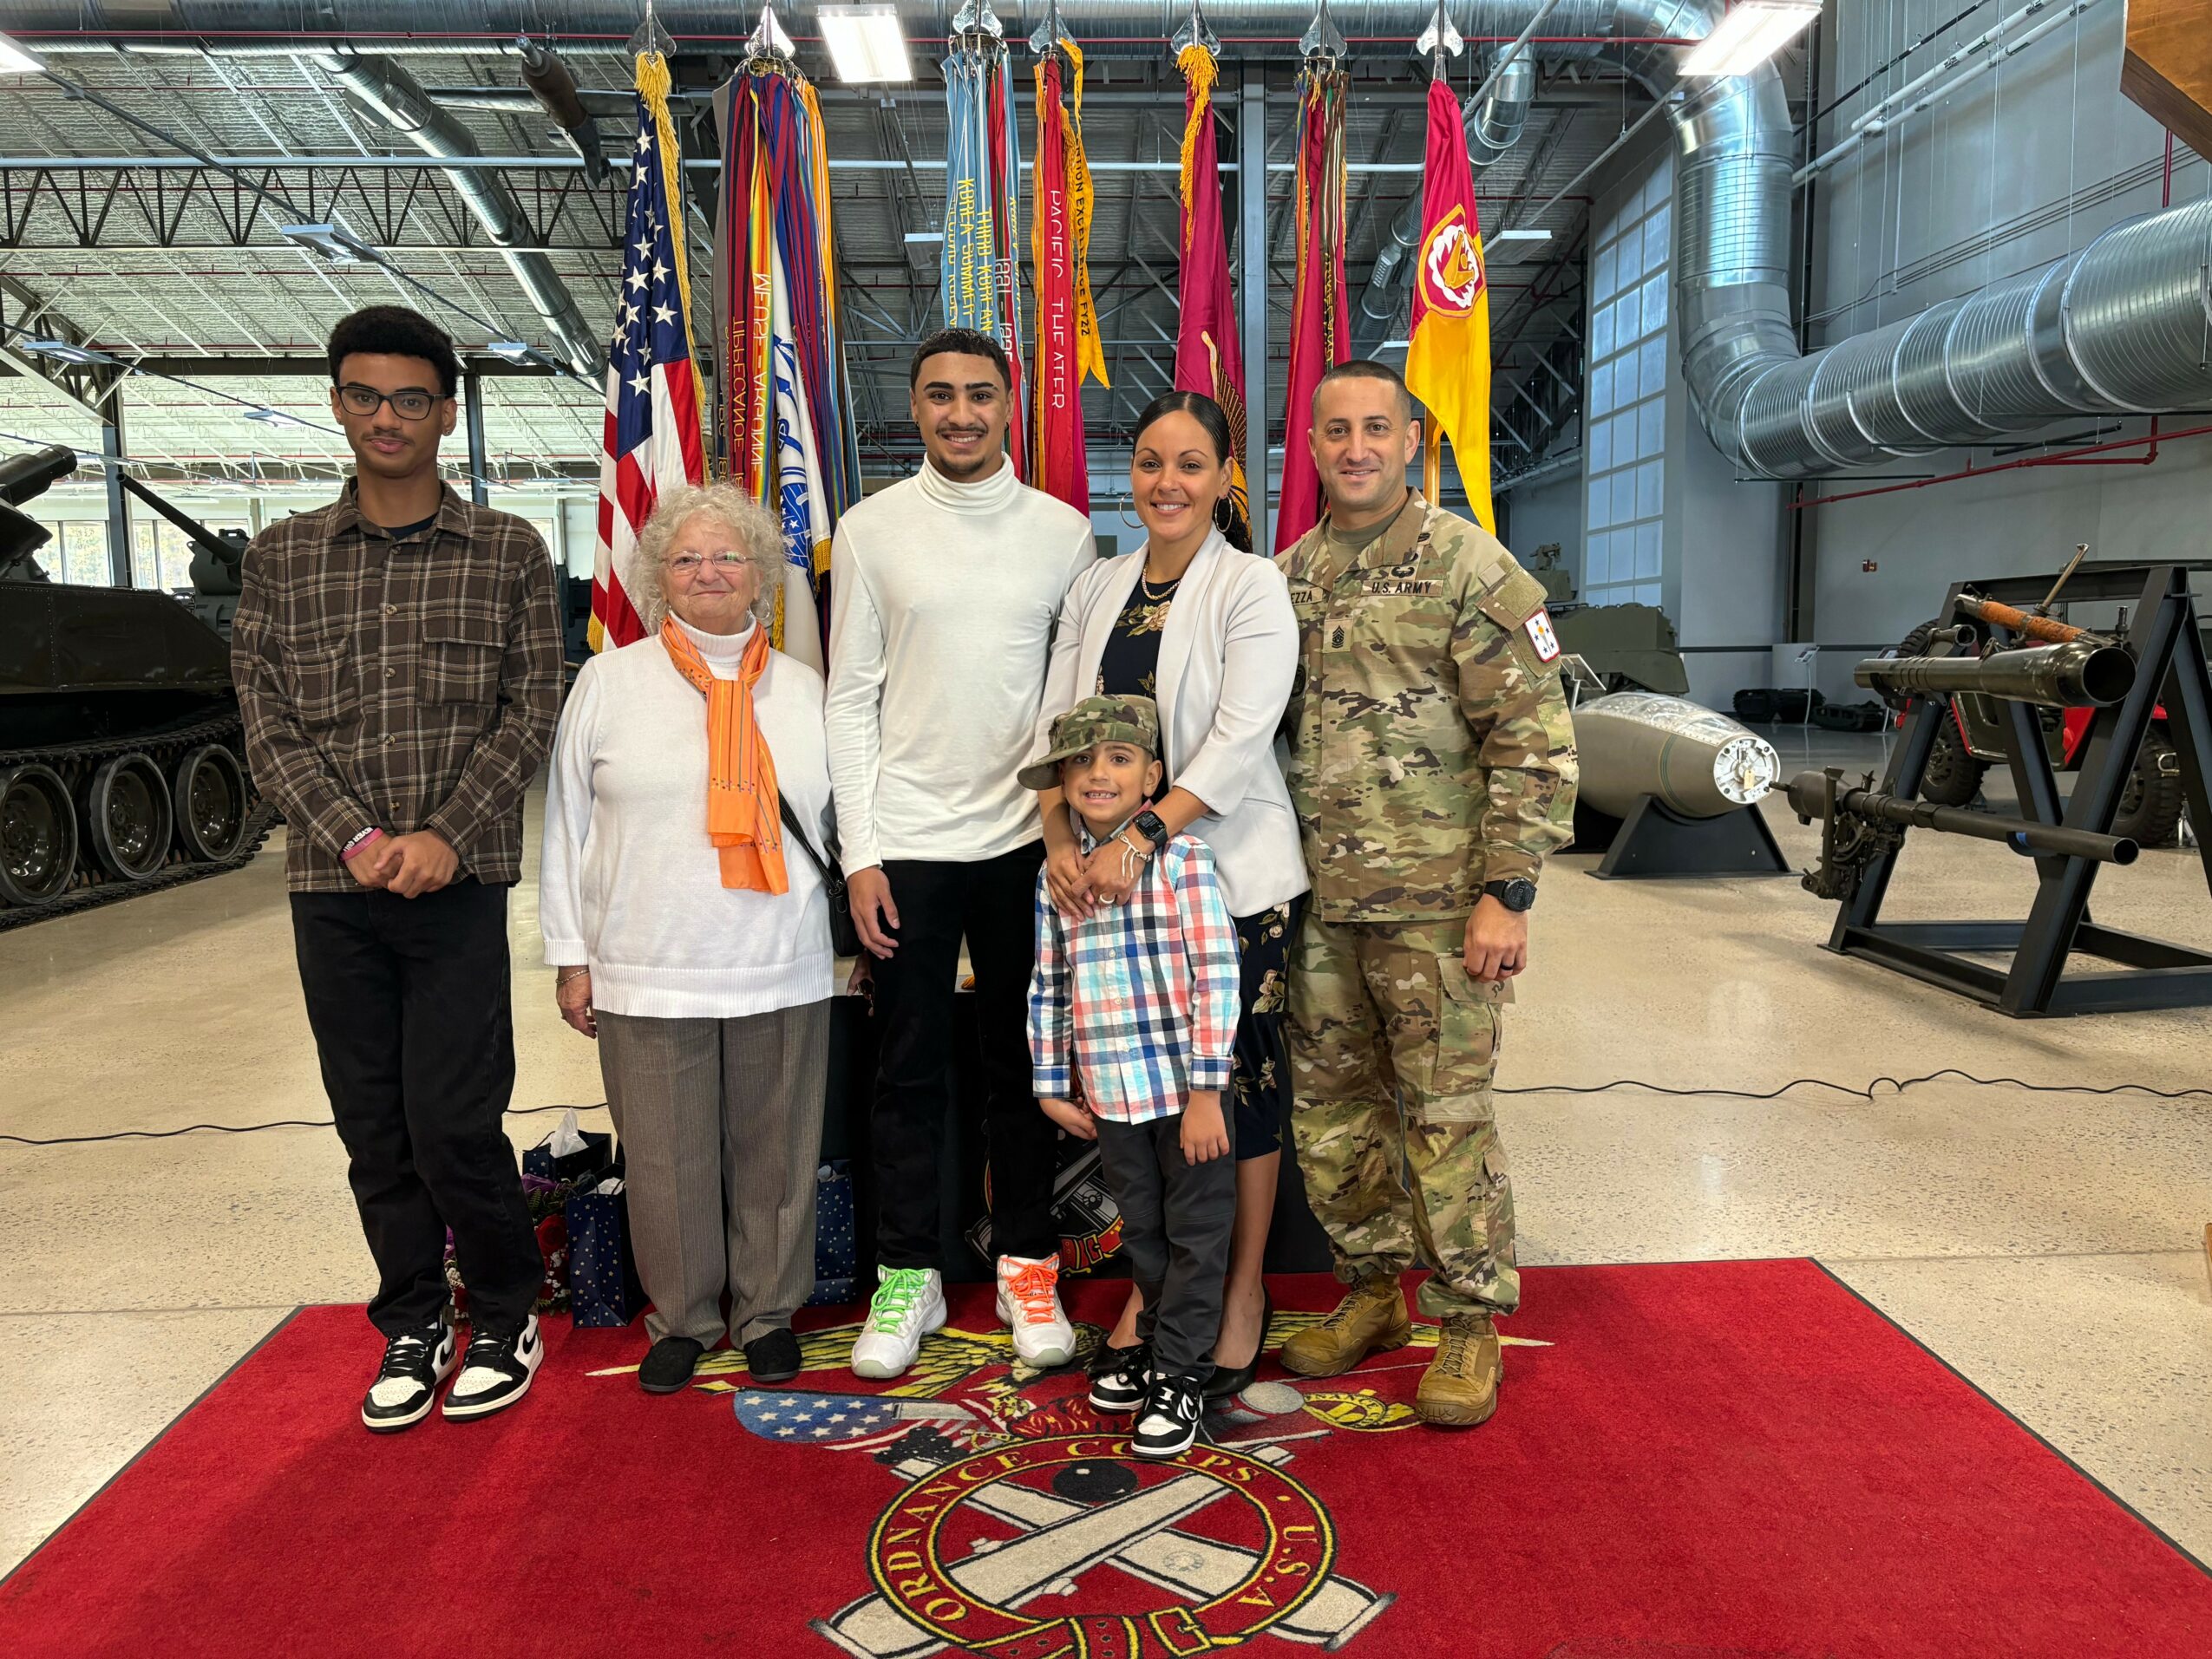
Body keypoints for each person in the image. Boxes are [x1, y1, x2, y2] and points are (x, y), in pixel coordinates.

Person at [231, 305, 562, 1432]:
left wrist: (443, 836)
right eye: (365, 396)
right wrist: (361, 840)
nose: (386, 416)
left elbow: (531, 709)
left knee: (452, 1119)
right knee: (371, 1121)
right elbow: (266, 722)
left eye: (409, 398)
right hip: (335, 893)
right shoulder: (281, 558)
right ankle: (413, 1316)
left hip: (460, 891)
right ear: (336, 405)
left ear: (444, 413)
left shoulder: (508, 551)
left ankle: (507, 1303)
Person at [1273, 359, 1577, 1428]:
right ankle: (1372, 1290)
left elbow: (1535, 742)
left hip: (1440, 907)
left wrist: (1509, 892)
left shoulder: (1468, 568)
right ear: (1309, 447)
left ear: (1412, 442)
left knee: (1446, 1119)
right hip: (1320, 908)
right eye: (1335, 430)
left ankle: (1469, 1315)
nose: (1355, 446)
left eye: (1376, 428)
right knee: (1335, 1116)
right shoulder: (1290, 575)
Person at [824, 328, 1097, 1379]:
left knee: (1021, 1066)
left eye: (980, 395)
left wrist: (1065, 834)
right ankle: (911, 1277)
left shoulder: (1062, 533)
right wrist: (862, 852)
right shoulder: (872, 528)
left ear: (1009, 401)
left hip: (1027, 847)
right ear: (914, 406)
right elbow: (851, 697)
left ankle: (1029, 1259)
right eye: (939, 396)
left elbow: (1069, 706)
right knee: (907, 1071)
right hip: (909, 845)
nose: (961, 414)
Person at [1031, 391, 1305, 1397]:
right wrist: (1061, 834)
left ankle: (1236, 1289)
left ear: (1227, 476)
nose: (1168, 482)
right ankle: (1158, 1286)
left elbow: (1241, 735)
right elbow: (1057, 726)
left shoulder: (1252, 585)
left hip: (1228, 873)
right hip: (1107, 883)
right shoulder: (1098, 584)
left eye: (1192, 463)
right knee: (1140, 1083)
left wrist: (1143, 832)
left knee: (1232, 1083)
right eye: (1150, 461)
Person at [540, 485, 834, 1395]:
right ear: (657, 576)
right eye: (687, 559)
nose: (709, 573)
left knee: (775, 1150)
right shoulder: (608, 680)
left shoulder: (807, 689)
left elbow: (841, 823)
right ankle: (684, 1315)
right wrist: (570, 952)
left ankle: (768, 1310)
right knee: (663, 1156)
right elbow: (564, 823)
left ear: (760, 573)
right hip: (647, 958)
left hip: (780, 955)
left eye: (728, 557)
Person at [1024, 696, 1241, 1457]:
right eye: (1081, 762)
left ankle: (1182, 1373)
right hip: (1114, 1100)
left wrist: (1208, 1091)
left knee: (1196, 1234)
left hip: (1188, 1101)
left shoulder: (1184, 862)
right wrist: (1052, 1082)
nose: (1098, 774)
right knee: (1142, 1232)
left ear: (1152, 776)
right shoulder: (1058, 881)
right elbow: (1048, 984)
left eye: (1118, 759)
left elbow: (1217, 978)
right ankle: (1155, 1337)